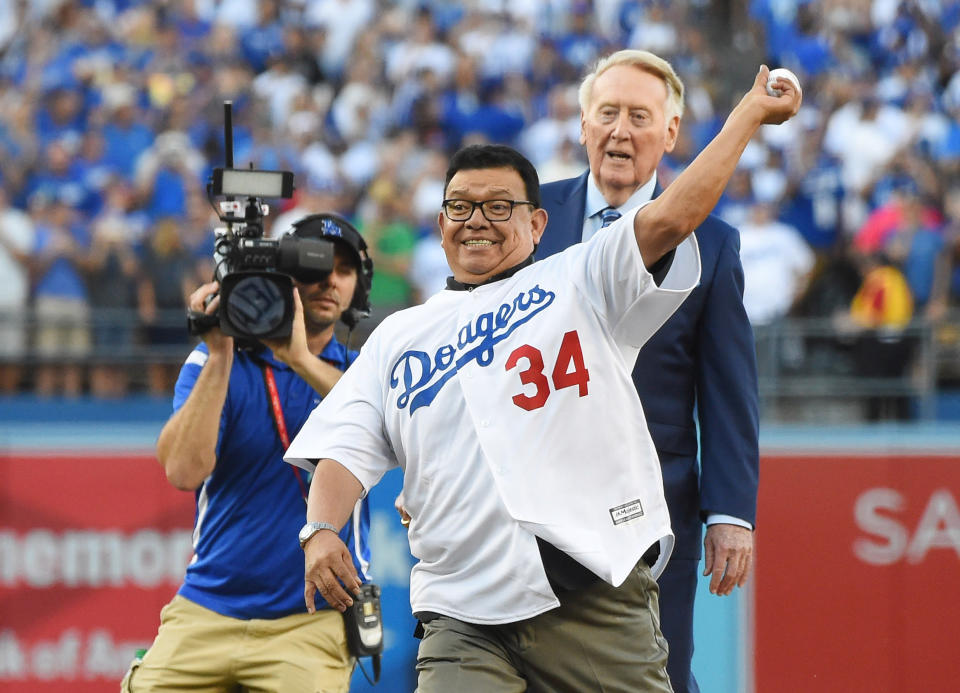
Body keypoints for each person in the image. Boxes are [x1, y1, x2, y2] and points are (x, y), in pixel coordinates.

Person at [285, 66, 800, 692]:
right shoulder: (399, 335)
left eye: (499, 206)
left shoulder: (581, 280)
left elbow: (671, 219)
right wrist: (319, 531)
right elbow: (345, 447)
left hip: (591, 594)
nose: (477, 220)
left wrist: (746, 117)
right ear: (440, 224)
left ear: (537, 226)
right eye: (460, 207)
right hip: (462, 608)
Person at [536, 49, 761, 693]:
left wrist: (730, 513)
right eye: (607, 113)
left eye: (640, 116)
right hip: (529, 506)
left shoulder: (712, 244)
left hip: (656, 511)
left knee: (655, 678)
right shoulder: (524, 216)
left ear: (670, 134)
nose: (620, 130)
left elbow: (728, 390)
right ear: (582, 125)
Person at [123, 214, 375, 693]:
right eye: (313, 267)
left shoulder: (363, 372)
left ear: (358, 289)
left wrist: (298, 359)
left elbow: (384, 431)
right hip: (206, 609)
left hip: (311, 617)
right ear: (282, 281)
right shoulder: (216, 360)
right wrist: (219, 354)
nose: (328, 280)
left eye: (343, 269)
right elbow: (182, 470)